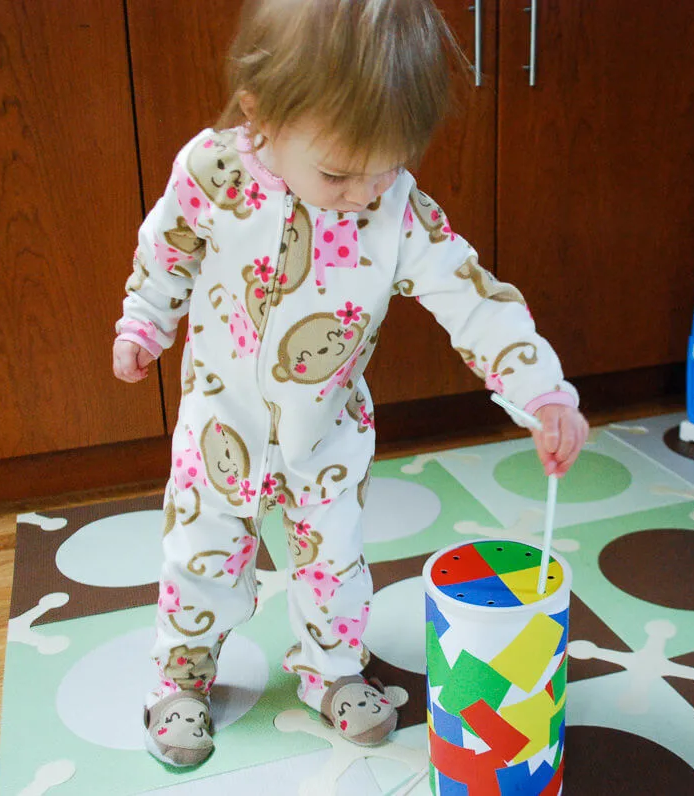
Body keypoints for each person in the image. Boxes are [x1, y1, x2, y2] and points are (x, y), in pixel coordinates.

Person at [112, 0, 589, 768]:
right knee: (201, 558)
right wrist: (143, 322)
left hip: (326, 436)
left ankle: (329, 672)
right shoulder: (214, 171)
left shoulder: (396, 211)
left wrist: (541, 391)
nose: (363, 193)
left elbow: (473, 296)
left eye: (387, 166)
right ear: (259, 116)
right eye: (339, 172)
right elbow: (166, 248)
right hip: (220, 428)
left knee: (335, 566)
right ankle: (180, 679)